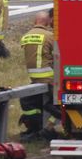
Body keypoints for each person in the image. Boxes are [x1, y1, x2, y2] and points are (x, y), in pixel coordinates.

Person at [18, 9, 58, 140]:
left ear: (35, 21)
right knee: (57, 104)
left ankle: (35, 128)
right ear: (48, 22)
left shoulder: (26, 36)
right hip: (50, 79)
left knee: (29, 102)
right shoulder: (50, 36)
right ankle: (48, 128)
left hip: (35, 79)